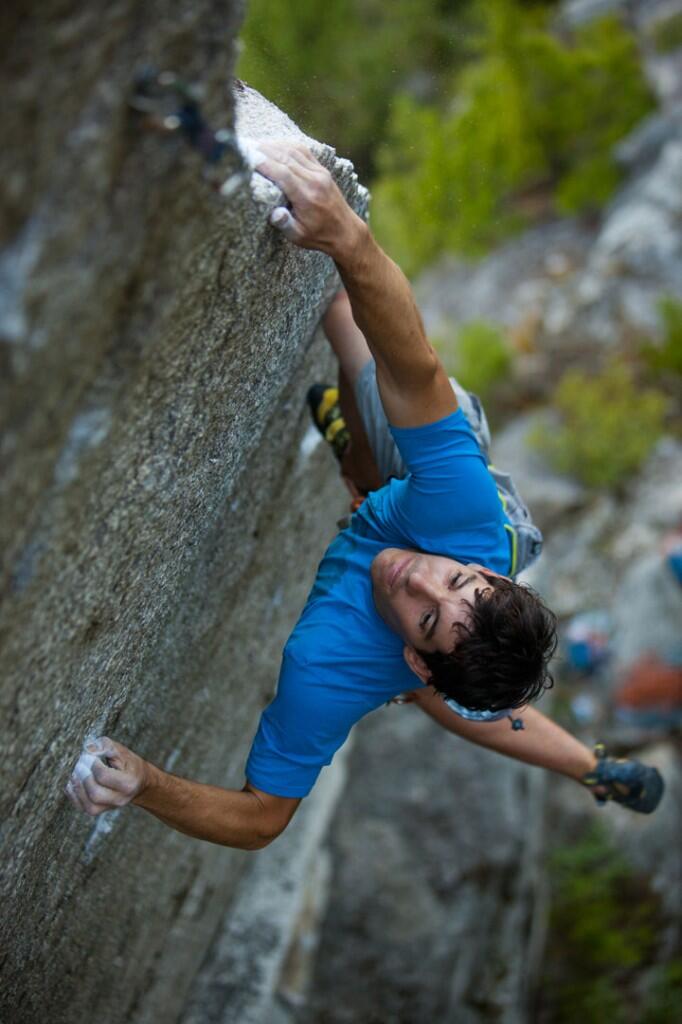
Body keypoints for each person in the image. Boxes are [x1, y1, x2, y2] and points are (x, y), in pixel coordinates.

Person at [65, 140, 663, 846]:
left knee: (452, 695)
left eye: (427, 620)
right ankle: (357, 446)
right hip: (463, 512)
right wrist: (344, 231)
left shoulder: (332, 663)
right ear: (483, 573)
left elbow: (262, 817)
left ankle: (590, 768)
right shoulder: (464, 530)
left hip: (411, 634)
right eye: (457, 583)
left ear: (414, 649)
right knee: (349, 325)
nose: (421, 580)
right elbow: (414, 369)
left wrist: (142, 783)